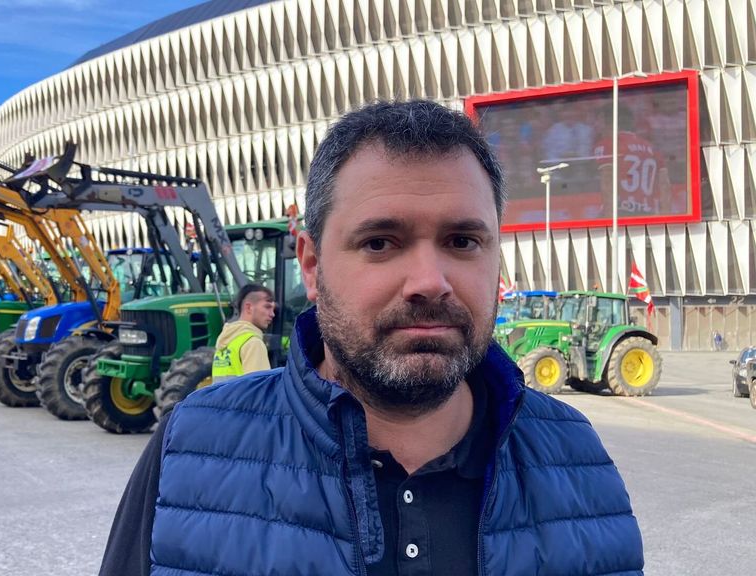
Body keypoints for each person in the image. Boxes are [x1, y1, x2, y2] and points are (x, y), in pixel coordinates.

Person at [99, 100, 643, 576]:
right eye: (381, 242)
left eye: (462, 240)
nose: (430, 280)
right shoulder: (190, 449)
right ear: (311, 266)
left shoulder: (577, 457)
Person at [211, 284, 276, 382]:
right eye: (267, 307)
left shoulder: (225, 342)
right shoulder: (253, 343)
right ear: (249, 307)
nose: (272, 314)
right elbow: (259, 391)